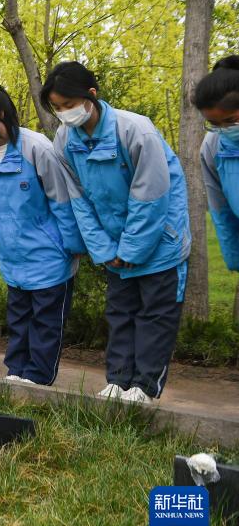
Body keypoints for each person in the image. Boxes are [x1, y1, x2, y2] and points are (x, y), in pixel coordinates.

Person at [47, 61, 190, 403]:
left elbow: (150, 195)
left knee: (155, 316)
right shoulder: (64, 139)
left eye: (69, 104)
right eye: (57, 108)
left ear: (91, 95)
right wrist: (104, 249)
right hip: (113, 245)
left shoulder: (135, 130)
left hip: (160, 241)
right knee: (120, 313)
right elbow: (79, 200)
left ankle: (144, 387)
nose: (64, 113)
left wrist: (131, 250)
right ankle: (117, 381)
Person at [0, 83, 86, 385]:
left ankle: (38, 381)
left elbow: (62, 201)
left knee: (45, 324)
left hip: (49, 256)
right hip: (12, 258)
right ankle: (16, 374)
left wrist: (70, 247)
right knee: (18, 321)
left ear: (0, 114)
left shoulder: (36, 148)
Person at [196, 55, 239, 274]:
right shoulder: (213, 145)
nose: (224, 129)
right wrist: (235, 260)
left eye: (231, 120)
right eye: (214, 123)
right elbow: (221, 209)